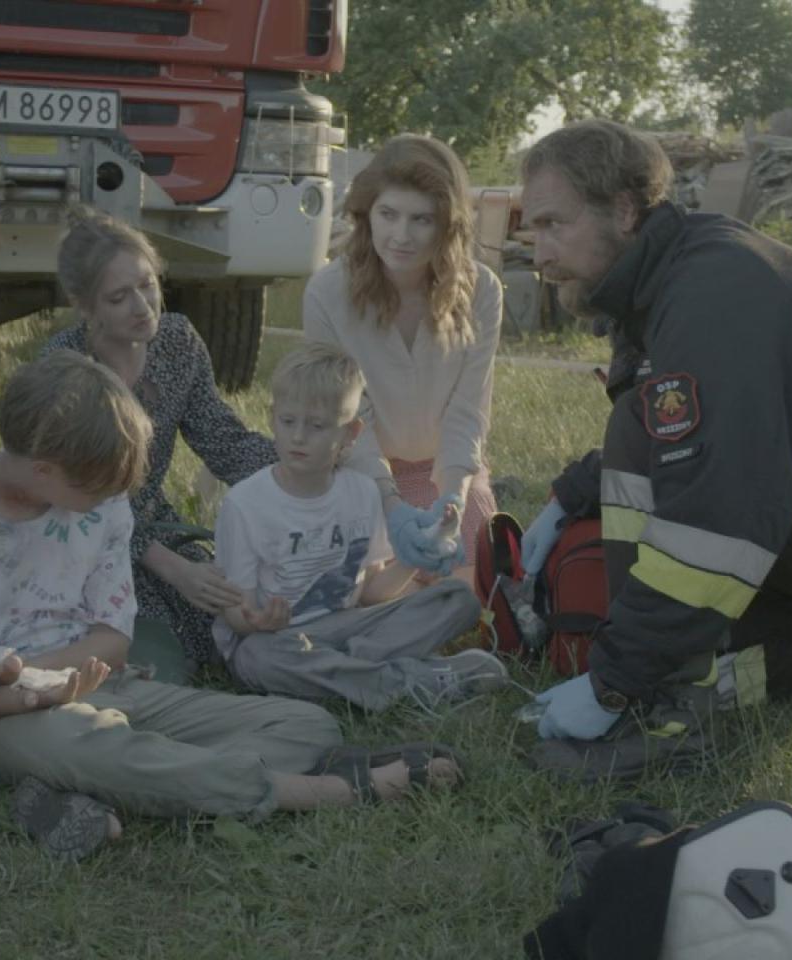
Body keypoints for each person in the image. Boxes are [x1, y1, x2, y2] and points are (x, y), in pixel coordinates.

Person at [0, 350, 467, 861]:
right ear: (45, 470)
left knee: (306, 727)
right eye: (98, 489)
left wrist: (52, 678)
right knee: (70, 741)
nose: (113, 500)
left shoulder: (104, 505)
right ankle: (328, 791)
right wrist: (31, 693)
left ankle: (101, 781)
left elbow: (112, 641)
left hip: (104, 683)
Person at [515, 120, 792, 750]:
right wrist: (573, 491)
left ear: (624, 211)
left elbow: (719, 505)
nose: (538, 253)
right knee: (721, 644)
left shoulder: (714, 294)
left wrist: (617, 680)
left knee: (647, 434)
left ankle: (659, 701)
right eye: (532, 229)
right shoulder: (676, 274)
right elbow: (707, 446)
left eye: (554, 224)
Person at [212, 342, 506, 712]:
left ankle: (344, 670)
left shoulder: (363, 492)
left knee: (458, 599)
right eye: (288, 421)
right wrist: (258, 621)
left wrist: (415, 557)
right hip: (279, 638)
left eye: (317, 425)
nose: (298, 436)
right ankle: (413, 680)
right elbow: (236, 616)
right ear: (272, 419)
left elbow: (372, 593)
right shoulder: (245, 504)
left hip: (350, 625)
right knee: (254, 658)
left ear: (351, 433)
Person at [43, 208, 277, 670]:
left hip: (153, 522)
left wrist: (302, 462)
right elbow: (75, 500)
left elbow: (223, 441)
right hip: (78, 535)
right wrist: (174, 567)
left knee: (226, 625)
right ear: (85, 306)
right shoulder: (63, 365)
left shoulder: (177, 341)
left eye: (148, 285)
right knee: (153, 651)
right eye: (119, 297)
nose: (143, 306)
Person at [303, 135, 503, 580]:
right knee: (381, 594)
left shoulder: (482, 290)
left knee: (474, 588)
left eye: (421, 219)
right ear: (367, 214)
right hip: (359, 472)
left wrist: (452, 501)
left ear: (447, 224)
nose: (401, 236)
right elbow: (348, 418)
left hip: (447, 472)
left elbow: (468, 410)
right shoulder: (326, 293)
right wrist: (391, 506)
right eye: (388, 214)